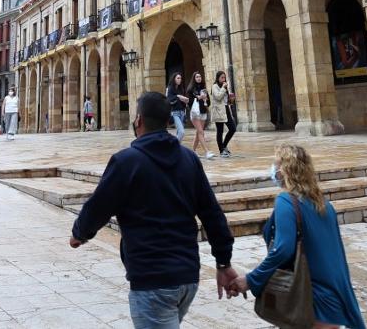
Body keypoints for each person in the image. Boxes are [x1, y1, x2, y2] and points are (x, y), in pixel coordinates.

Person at [70, 91, 240, 328]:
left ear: (138, 120)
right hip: (188, 276)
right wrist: (223, 262)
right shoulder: (189, 159)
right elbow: (212, 214)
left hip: (152, 278)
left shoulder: (126, 162)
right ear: (168, 121)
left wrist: (80, 233)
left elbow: (99, 206)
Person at [231, 144, 366, 329]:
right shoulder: (324, 204)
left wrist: (252, 279)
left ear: (284, 170)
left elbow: (282, 249)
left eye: (275, 164)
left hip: (309, 298)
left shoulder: (286, 201)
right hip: (334, 297)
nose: (273, 169)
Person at [187, 72, 213, 160]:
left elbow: (208, 103)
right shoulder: (190, 89)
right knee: (201, 132)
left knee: (198, 133)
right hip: (195, 113)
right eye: (197, 77)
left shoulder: (204, 89)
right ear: (194, 78)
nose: (199, 78)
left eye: (200, 76)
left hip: (203, 112)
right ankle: (207, 152)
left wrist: (205, 99)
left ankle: (193, 151)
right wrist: (198, 98)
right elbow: (189, 102)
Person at [210, 71, 235, 158]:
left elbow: (225, 100)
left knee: (233, 128)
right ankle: (221, 151)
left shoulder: (224, 87)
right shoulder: (214, 86)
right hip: (218, 111)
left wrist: (231, 100)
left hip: (226, 109)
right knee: (220, 131)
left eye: (224, 77)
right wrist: (224, 88)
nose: (223, 79)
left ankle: (224, 145)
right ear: (218, 78)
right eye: (222, 77)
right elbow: (218, 97)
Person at [165, 73, 189, 144]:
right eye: (178, 78)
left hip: (182, 112)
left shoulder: (181, 89)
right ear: (174, 79)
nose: (180, 80)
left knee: (179, 133)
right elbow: (169, 100)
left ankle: (177, 147)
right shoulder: (170, 88)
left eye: (180, 78)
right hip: (174, 113)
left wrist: (185, 100)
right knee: (181, 132)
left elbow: (184, 100)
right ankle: (174, 146)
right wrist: (178, 96)